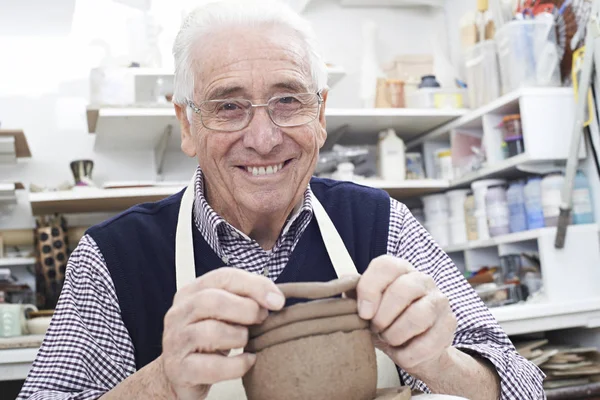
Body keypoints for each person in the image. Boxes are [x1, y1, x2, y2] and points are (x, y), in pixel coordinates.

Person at [18, 1, 544, 399]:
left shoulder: (382, 224)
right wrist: (162, 380)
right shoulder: (113, 259)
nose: (264, 138)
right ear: (186, 123)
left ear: (320, 114)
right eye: (229, 106)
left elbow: (526, 386)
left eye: (288, 100)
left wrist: (442, 362)